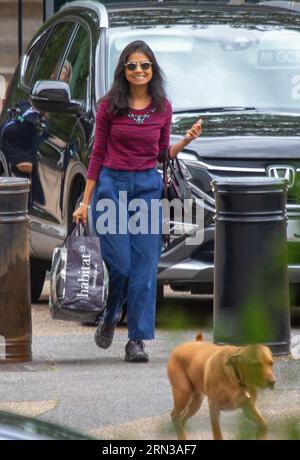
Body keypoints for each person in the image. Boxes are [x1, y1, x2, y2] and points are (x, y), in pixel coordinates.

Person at [73, 40, 202, 363]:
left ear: (152, 70)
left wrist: (185, 141)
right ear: (124, 71)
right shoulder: (109, 107)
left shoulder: (163, 107)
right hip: (112, 188)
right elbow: (97, 155)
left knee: (144, 270)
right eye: (132, 65)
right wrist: (85, 202)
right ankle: (111, 312)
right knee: (121, 265)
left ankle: (137, 341)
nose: (139, 71)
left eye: (145, 65)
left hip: (147, 187)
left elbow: (162, 154)